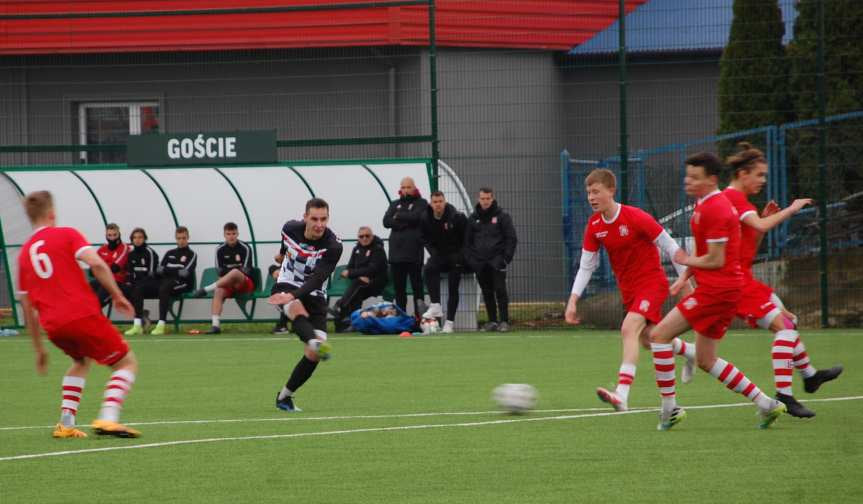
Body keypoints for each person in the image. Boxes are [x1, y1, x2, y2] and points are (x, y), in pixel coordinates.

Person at [649, 152, 785, 431]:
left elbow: (716, 259)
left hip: (717, 291)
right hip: (721, 289)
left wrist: (686, 261)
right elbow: (704, 253)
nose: (687, 181)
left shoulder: (717, 209)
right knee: (705, 359)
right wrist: (684, 275)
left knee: (658, 335)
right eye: (687, 176)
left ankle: (669, 409)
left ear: (711, 180)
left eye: (694, 177)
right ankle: (766, 404)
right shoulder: (704, 203)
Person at [722, 143, 842, 417]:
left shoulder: (740, 203)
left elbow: (752, 238)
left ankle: (810, 376)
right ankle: (785, 396)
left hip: (744, 278)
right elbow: (762, 227)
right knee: (785, 328)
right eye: (759, 175)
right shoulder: (735, 199)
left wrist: (764, 218)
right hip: (736, 283)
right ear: (742, 174)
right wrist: (791, 209)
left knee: (789, 322)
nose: (763, 180)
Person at [564, 169, 696, 412]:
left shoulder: (635, 217)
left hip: (652, 283)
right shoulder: (594, 225)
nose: (591, 197)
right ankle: (690, 352)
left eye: (596, 192)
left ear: (611, 191)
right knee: (649, 339)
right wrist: (573, 300)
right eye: (588, 193)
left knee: (628, 329)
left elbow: (669, 245)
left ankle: (622, 394)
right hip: (629, 290)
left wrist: (684, 280)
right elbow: (586, 266)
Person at [16, 190, 140, 438]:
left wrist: (39, 349)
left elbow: (27, 307)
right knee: (126, 363)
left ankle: (66, 423)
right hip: (81, 315)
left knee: (80, 361)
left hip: (53, 325)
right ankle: (108, 417)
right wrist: (117, 295)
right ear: (52, 214)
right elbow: (95, 263)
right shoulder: (67, 234)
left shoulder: (23, 255)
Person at [268, 198, 343, 412]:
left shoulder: (334, 245)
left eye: (324, 219)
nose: (320, 224)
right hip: (286, 283)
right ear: (305, 217)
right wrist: (281, 260)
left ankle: (284, 397)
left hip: (315, 292)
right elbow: (284, 248)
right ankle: (313, 341)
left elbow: (317, 280)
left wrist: (292, 295)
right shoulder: (289, 228)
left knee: (313, 355)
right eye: (314, 219)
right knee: (297, 309)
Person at [464, 187, 518, 332]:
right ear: (478, 199)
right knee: (486, 292)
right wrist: (472, 261)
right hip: (480, 263)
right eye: (483, 198)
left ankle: (504, 321)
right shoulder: (473, 218)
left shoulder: (502, 216)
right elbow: (467, 242)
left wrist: (505, 258)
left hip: (497, 261)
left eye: (488, 198)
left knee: (500, 290)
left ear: (492, 199)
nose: (485, 201)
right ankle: (492, 321)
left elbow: (511, 238)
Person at [192, 222, 255, 334]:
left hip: (244, 283)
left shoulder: (246, 248)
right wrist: (231, 272)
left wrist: (231, 271)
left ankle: (206, 289)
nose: (231, 236)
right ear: (224, 235)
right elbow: (219, 271)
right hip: (228, 284)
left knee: (235, 272)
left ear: (237, 234)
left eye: (234, 233)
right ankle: (215, 325)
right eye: (228, 234)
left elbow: (246, 271)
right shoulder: (219, 249)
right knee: (218, 291)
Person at [420, 191, 468, 333]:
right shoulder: (425, 218)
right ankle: (435, 305)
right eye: (435, 202)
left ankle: (449, 323)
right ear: (431, 203)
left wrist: (461, 256)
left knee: (453, 288)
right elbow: (425, 239)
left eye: (440, 201)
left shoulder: (456, 216)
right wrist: (434, 254)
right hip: (440, 255)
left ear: (445, 202)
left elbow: (467, 238)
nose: (438, 204)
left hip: (456, 257)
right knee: (428, 268)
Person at [382, 177, 427, 316]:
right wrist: (404, 220)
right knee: (399, 289)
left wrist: (399, 216)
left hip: (414, 253)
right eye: (403, 187)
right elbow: (386, 221)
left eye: (408, 187)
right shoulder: (394, 203)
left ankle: (419, 319)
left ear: (414, 187)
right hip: (396, 254)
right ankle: (401, 318)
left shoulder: (422, 202)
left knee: (417, 287)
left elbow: (417, 218)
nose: (406, 190)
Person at [330, 226, 388, 332]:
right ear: (358, 238)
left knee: (357, 285)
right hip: (361, 283)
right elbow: (350, 267)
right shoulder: (356, 249)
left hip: (376, 283)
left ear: (372, 236)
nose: (364, 238)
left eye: (367, 236)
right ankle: (346, 325)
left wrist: (353, 273)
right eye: (361, 236)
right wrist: (354, 273)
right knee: (356, 294)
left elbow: (373, 269)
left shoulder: (378, 249)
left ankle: (340, 305)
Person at [150, 226, 197, 335]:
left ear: (188, 238)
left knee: (164, 288)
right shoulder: (169, 252)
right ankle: (139, 322)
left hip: (184, 284)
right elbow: (159, 271)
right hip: (168, 281)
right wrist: (175, 269)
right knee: (141, 287)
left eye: (184, 238)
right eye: (179, 238)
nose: (181, 241)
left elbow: (184, 273)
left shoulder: (192, 254)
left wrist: (167, 270)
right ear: (175, 238)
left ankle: (161, 324)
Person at [123, 227, 160, 336]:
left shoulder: (150, 252)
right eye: (135, 238)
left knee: (137, 289)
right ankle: (142, 315)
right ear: (132, 240)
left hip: (152, 284)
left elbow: (152, 274)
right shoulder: (131, 254)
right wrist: (129, 283)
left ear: (145, 239)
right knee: (123, 289)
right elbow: (130, 274)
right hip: (137, 285)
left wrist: (136, 284)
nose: (137, 240)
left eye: (140, 237)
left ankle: (137, 325)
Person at [89, 222, 130, 307]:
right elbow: (92, 269)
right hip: (102, 280)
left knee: (97, 303)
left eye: (115, 235)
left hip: (116, 282)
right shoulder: (102, 249)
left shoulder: (124, 248)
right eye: (109, 235)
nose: (112, 238)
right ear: (106, 236)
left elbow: (115, 268)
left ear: (119, 234)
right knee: (83, 292)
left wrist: (100, 268)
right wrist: (98, 269)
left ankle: (95, 319)